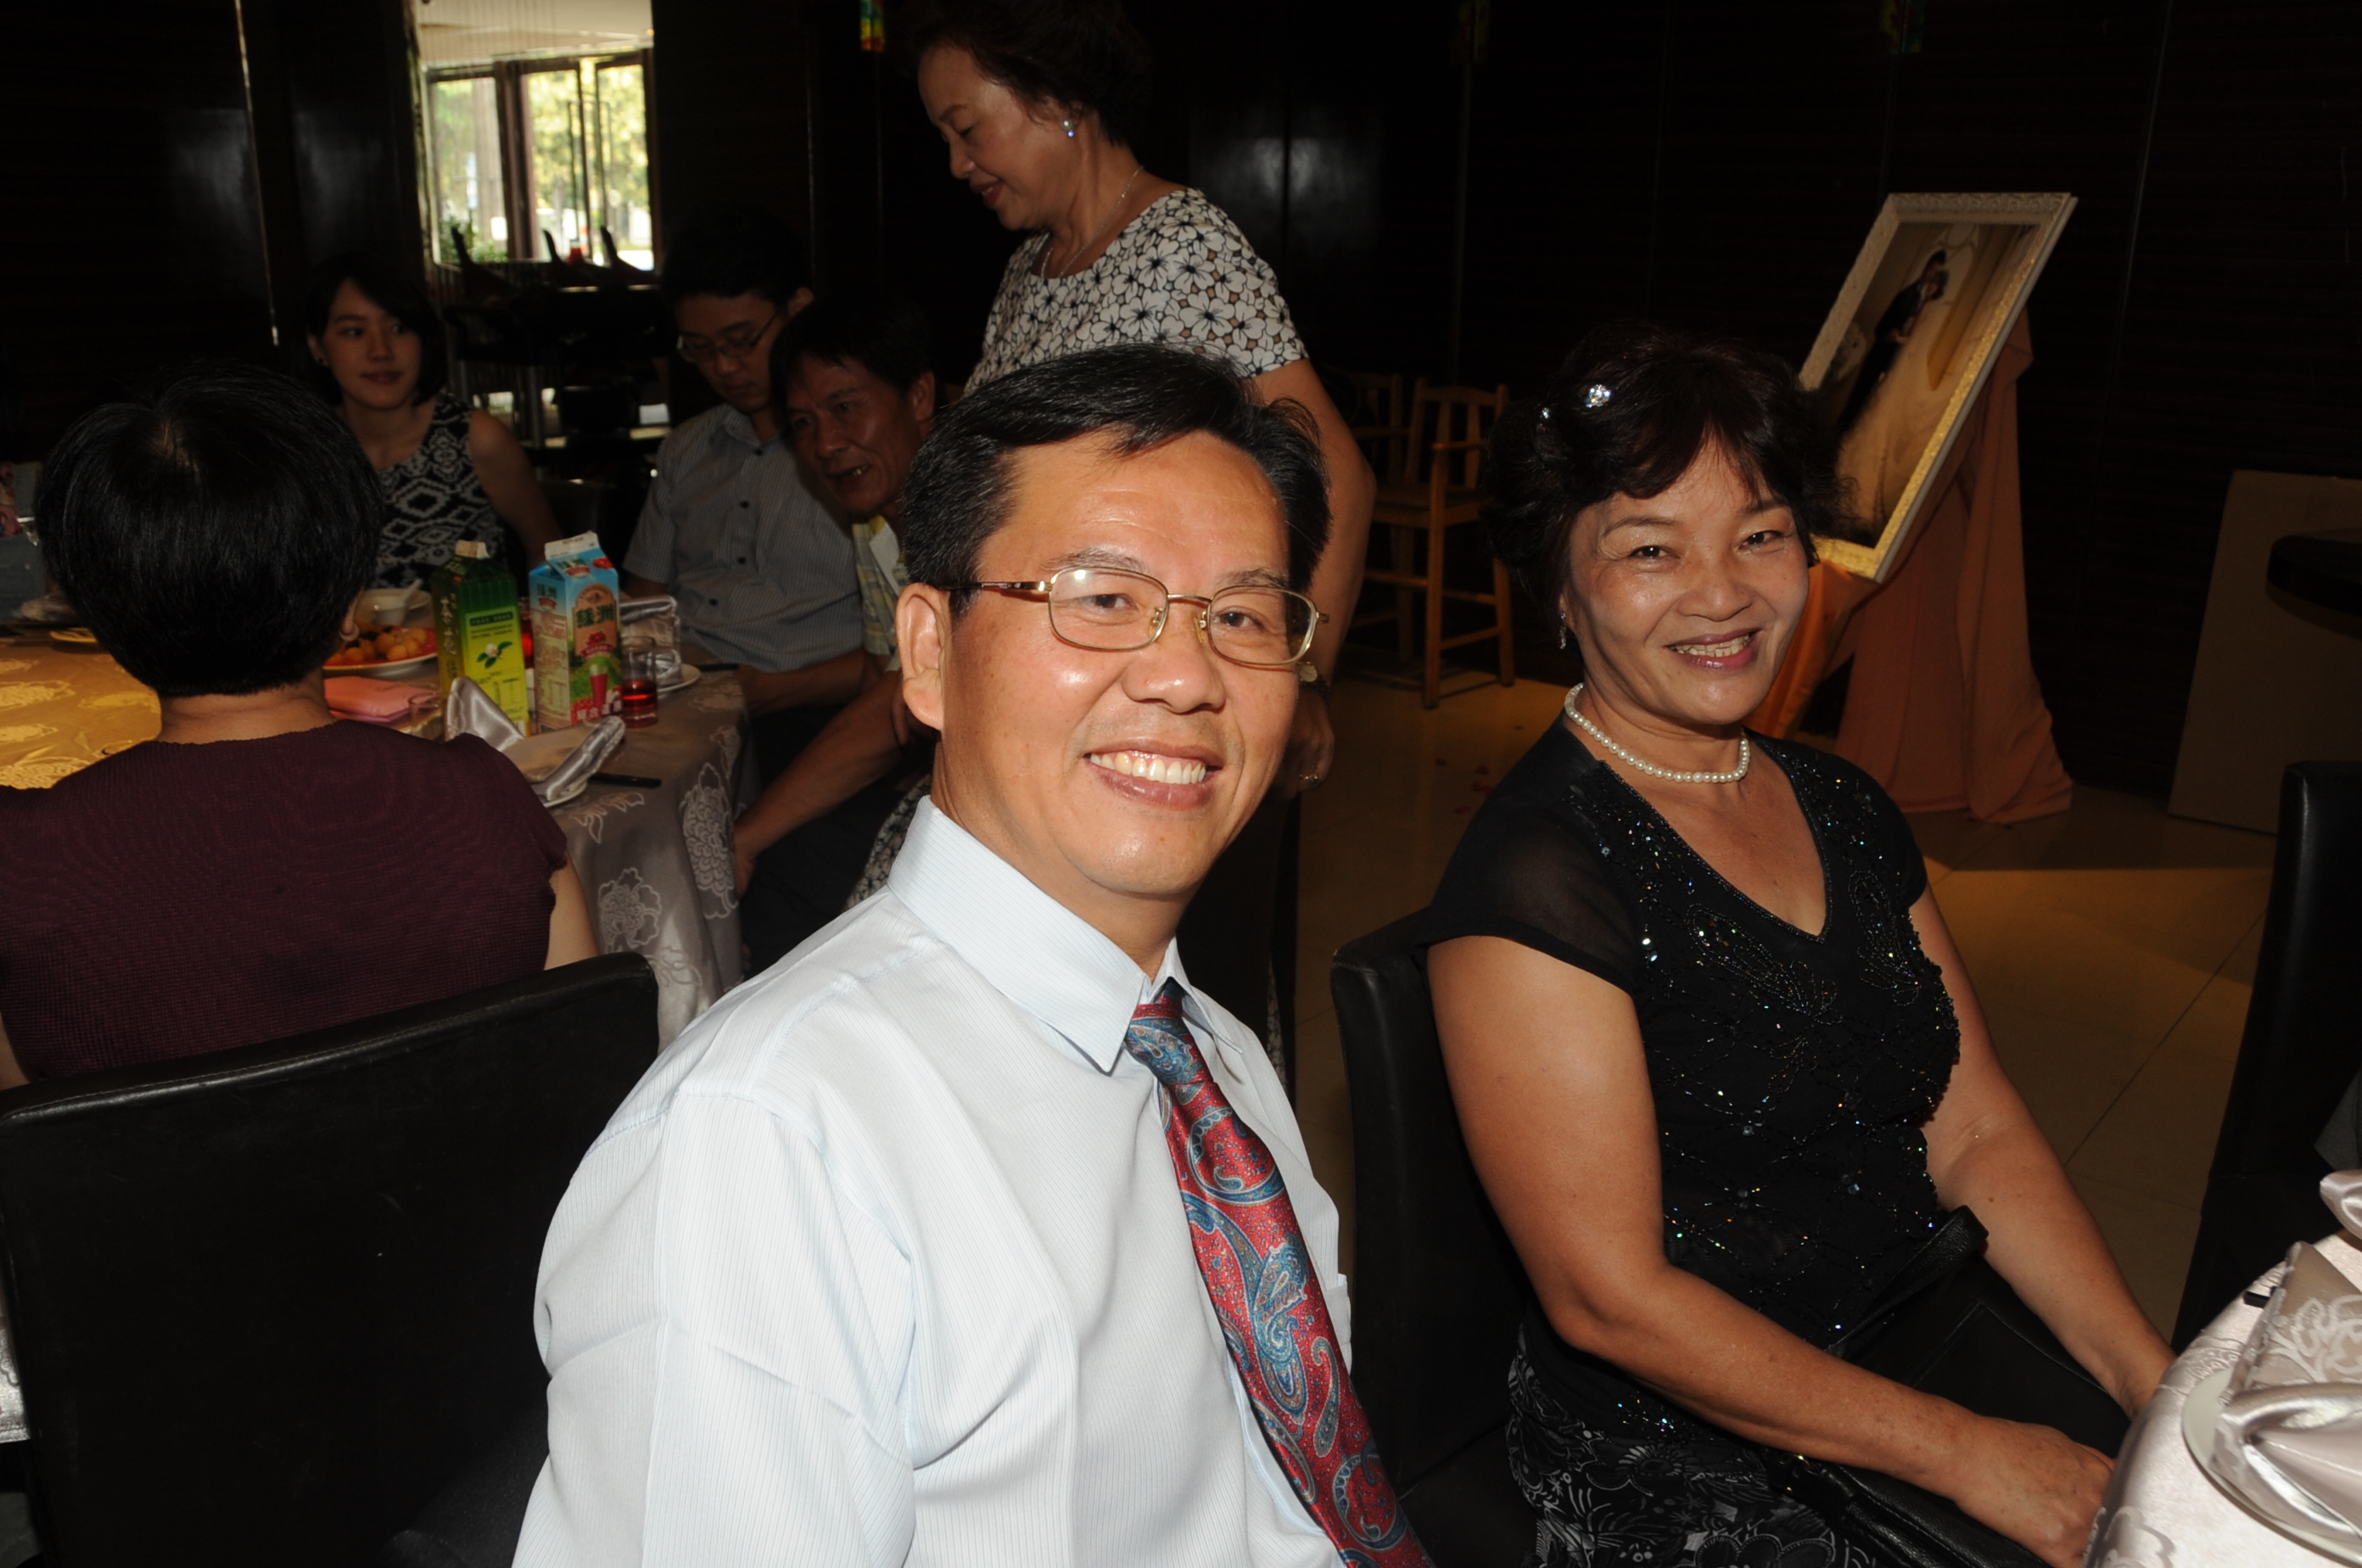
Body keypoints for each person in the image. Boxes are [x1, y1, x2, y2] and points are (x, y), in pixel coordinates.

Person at [518, 345, 1431, 1568]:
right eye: (1101, 598)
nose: (1186, 675)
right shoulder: (765, 1151)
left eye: (1242, 617)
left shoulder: (1210, 1055)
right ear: (931, 653)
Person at [1421, 324, 2172, 1568]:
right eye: (1650, 549)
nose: (1722, 594)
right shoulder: (1541, 878)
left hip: (1906, 1332)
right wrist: (1965, 1452)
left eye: (1760, 535)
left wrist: (2157, 1382)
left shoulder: (1844, 806)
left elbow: (1976, 1129)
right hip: (1685, 1444)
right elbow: (1611, 1300)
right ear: (1558, 581)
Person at [909, 0, 1369, 1050]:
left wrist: (1303, 675)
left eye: (968, 128)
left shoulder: (1181, 245)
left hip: (1160, 678)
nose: (957, 163)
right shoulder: (1031, 271)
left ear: (1060, 99)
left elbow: (1334, 464)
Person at [0, 365, 597, 1084]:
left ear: (101, 621)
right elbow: (582, 1070)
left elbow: (31, 1134)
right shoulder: (484, 799)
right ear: (350, 605)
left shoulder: (25, 862)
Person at [730, 291, 937, 922]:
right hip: (935, 782)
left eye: (845, 408)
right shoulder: (874, 524)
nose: (825, 444)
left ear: (920, 397)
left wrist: (747, 837)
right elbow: (880, 678)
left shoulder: (971, 511)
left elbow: (895, 699)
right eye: (803, 424)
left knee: (783, 862)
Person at [303, 252, 563, 586]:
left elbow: (549, 554)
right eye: (354, 332)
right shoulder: (306, 453)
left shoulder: (474, 440)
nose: (380, 350)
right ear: (317, 347)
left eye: (399, 328)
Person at [1835, 249, 1948, 437]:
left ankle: (1843, 435)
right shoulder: (1909, 293)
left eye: (1936, 275)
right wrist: (1889, 335)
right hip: (1880, 355)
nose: (1932, 277)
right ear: (1926, 267)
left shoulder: (1921, 301)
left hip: (1892, 360)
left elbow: (1911, 335)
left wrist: (1898, 339)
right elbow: (1883, 327)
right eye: (1931, 270)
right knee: (1858, 400)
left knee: (1868, 406)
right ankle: (1838, 436)